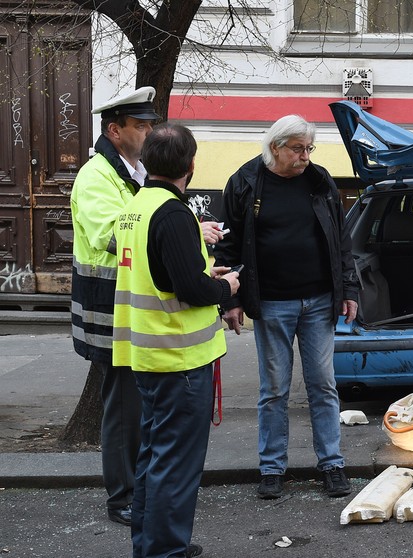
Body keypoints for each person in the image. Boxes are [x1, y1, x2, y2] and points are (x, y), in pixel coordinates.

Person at [70, 87, 226, 527]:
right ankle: (123, 497)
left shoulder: (133, 172)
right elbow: (115, 235)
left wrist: (188, 229)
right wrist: (184, 231)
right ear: (114, 131)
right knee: (123, 409)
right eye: (140, 126)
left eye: (149, 125)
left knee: (140, 411)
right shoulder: (96, 175)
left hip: (134, 307)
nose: (147, 132)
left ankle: (143, 494)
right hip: (111, 309)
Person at [213, 114, 359, 500]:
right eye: (298, 149)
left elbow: (341, 241)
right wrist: (230, 300)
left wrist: (349, 289)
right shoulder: (245, 181)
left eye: (309, 148)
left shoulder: (320, 180)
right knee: (274, 389)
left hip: (319, 301)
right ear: (275, 146)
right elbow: (227, 246)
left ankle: (332, 464)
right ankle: (272, 468)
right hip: (272, 302)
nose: (305, 156)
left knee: (323, 385)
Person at [112, 122, 240, 558]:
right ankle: (165, 550)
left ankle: (151, 545)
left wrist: (205, 274)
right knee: (176, 466)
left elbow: (161, 274)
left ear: (146, 161)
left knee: (153, 459)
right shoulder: (174, 213)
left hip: (149, 356)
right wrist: (227, 288)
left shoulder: (135, 207)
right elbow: (191, 290)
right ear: (190, 164)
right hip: (180, 360)